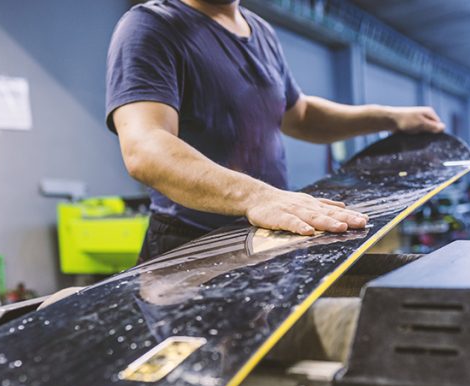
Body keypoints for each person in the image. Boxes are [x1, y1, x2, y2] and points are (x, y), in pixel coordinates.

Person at [106, 0, 445, 262]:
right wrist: (257, 196)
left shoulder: (261, 31)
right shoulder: (151, 26)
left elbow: (301, 116)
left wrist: (389, 118)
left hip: (265, 236)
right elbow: (145, 147)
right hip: (191, 244)